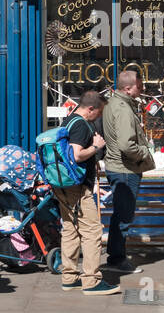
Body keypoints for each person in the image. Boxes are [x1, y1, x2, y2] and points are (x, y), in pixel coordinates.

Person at [53, 90, 119, 296]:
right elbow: (77, 154)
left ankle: (70, 277)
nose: (98, 117)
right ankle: (91, 280)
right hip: (78, 188)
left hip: (62, 185)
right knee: (92, 231)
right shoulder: (81, 125)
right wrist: (96, 147)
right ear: (90, 109)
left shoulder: (68, 120)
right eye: (98, 113)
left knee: (71, 229)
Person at [102, 69, 155, 274]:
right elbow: (126, 145)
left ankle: (116, 256)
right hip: (125, 169)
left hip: (119, 167)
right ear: (127, 88)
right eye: (139, 87)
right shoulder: (123, 109)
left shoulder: (113, 103)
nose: (141, 91)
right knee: (124, 216)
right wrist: (144, 152)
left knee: (120, 214)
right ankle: (117, 260)